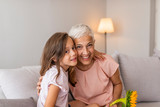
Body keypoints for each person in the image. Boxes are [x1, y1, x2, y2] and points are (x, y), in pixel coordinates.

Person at [37, 24, 122, 107]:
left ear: (94, 43)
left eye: (89, 45)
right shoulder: (70, 66)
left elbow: (118, 83)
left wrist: (114, 102)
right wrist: (43, 85)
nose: (85, 52)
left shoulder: (106, 61)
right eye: (78, 47)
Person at [37, 32, 77, 107]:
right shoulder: (58, 75)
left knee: (81, 103)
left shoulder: (58, 70)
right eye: (66, 51)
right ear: (54, 58)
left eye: (73, 48)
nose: (73, 53)